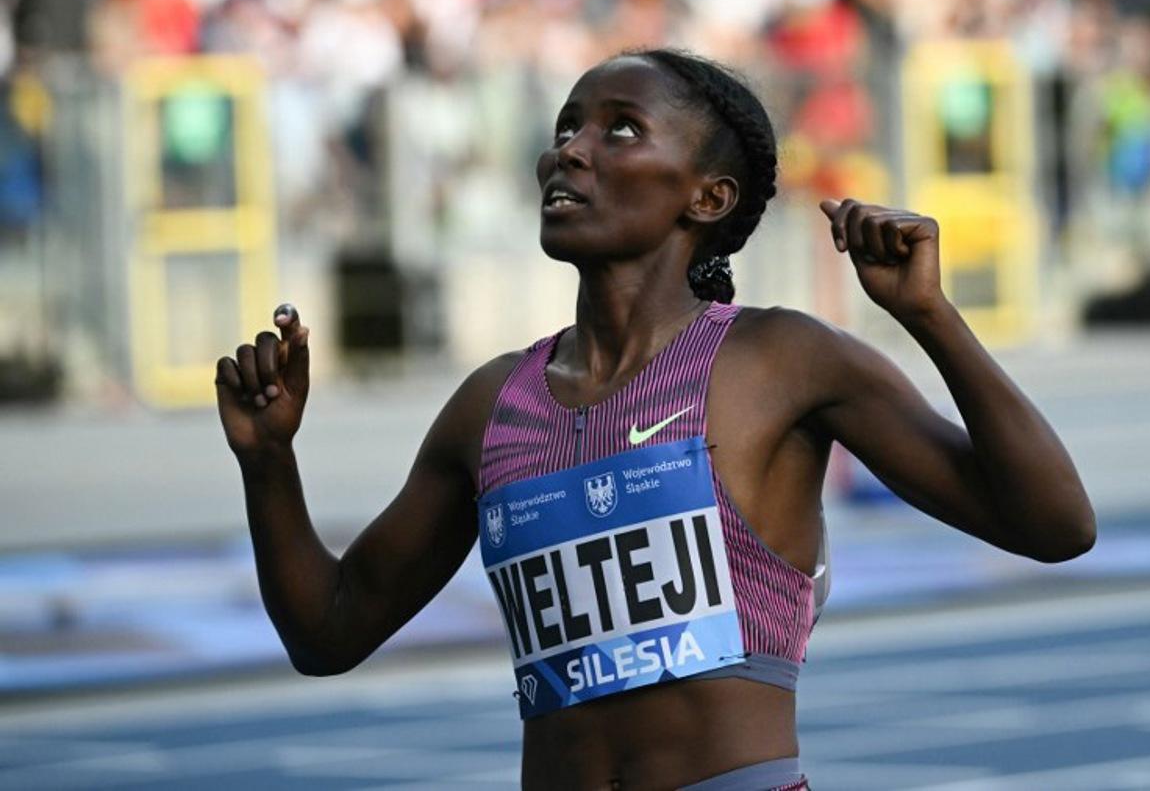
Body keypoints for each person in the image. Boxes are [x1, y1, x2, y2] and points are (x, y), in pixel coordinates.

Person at [215, 49, 1095, 790]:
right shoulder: (492, 407)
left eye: (618, 129)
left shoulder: (779, 362)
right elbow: (329, 633)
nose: (570, 151)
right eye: (566, 126)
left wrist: (929, 315)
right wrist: (268, 461)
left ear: (706, 198)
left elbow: (1056, 525)